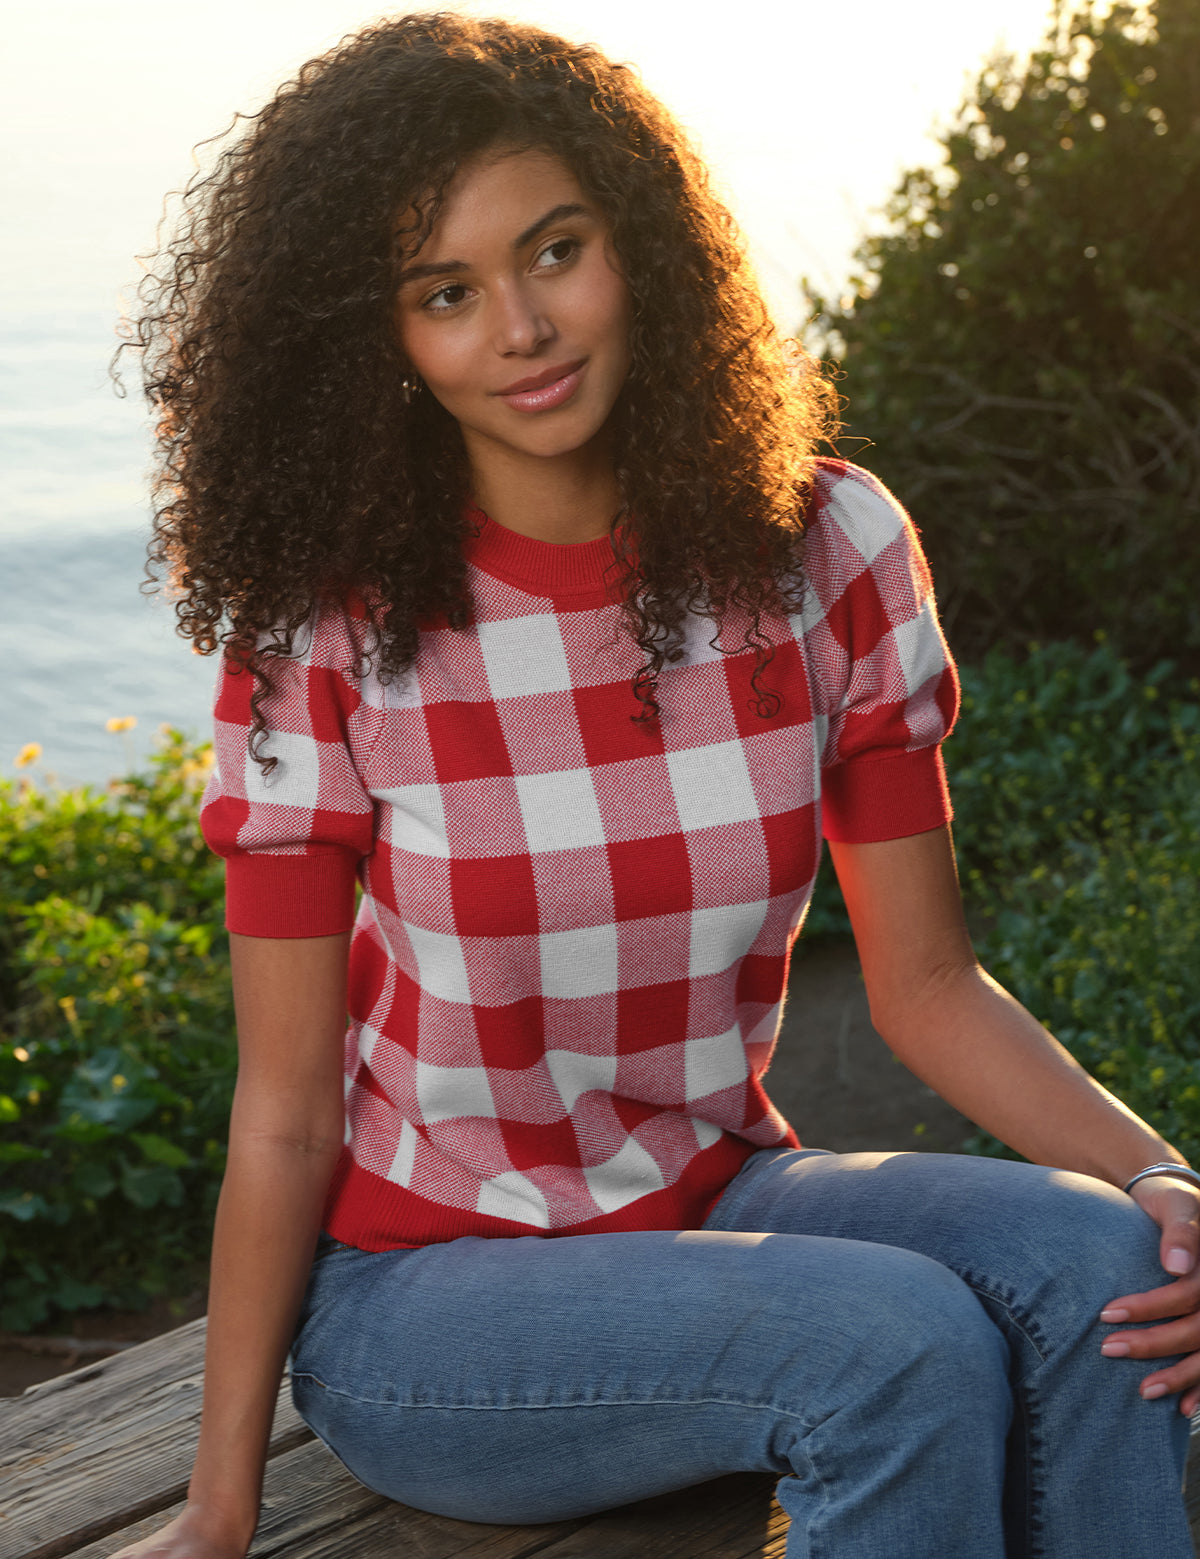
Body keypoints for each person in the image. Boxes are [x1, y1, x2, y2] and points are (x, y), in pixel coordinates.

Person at [115, 13, 1200, 1557]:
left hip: (715, 1198)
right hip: (424, 1304)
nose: (521, 327)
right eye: (446, 293)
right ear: (384, 345)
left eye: (554, 251)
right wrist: (221, 1506)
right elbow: (286, 1109)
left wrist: (1165, 1178)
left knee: (1116, 1269)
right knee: (889, 1344)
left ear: (644, 242)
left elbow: (932, 987)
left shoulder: (830, 552)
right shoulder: (327, 629)